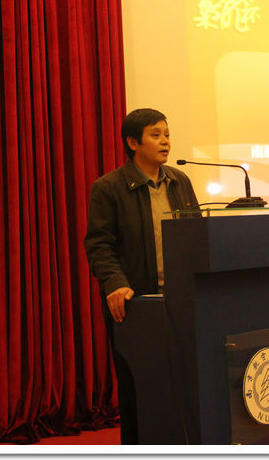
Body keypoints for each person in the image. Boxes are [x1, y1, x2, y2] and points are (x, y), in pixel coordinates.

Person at [84, 108, 199, 444]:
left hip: (182, 300)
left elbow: (195, 234)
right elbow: (99, 245)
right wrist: (115, 284)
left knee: (185, 386)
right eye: (155, 135)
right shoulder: (108, 188)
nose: (165, 142)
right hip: (137, 304)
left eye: (167, 134)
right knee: (141, 391)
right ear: (133, 142)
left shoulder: (180, 181)